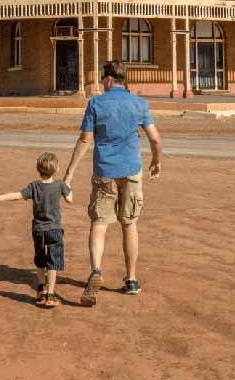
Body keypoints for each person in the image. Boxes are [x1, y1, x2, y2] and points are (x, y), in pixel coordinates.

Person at [63, 61, 163, 306]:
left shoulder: (96, 103)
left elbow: (85, 140)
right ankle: (131, 280)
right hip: (131, 170)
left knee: (99, 223)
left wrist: (69, 174)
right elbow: (155, 138)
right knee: (129, 224)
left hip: (104, 171)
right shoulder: (138, 103)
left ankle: (96, 270)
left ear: (108, 79)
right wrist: (156, 162)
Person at [0, 152, 73, 308]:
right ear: (57, 169)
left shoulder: (34, 186)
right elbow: (70, 199)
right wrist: (68, 188)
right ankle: (50, 294)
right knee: (53, 262)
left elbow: (18, 195)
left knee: (40, 260)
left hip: (38, 230)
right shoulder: (60, 185)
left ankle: (41, 288)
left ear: (38, 169)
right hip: (55, 230)